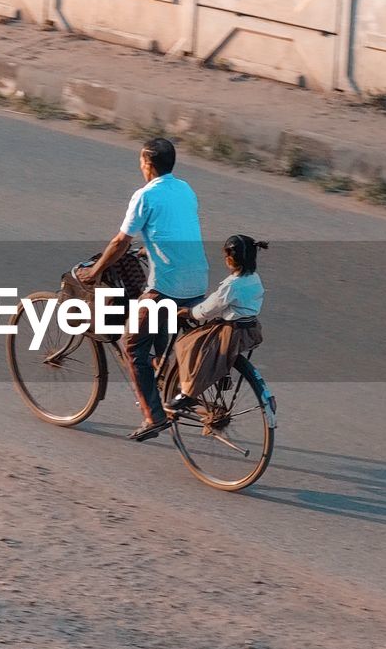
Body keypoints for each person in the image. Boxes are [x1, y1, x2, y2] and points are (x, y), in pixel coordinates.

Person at [80, 137, 208, 442]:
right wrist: (149, 250)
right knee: (161, 341)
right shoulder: (186, 189)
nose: (140, 165)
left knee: (133, 343)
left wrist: (95, 270)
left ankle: (153, 416)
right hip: (198, 281)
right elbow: (173, 228)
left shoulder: (144, 196)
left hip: (168, 287)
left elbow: (121, 242)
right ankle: (174, 387)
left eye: (141, 160)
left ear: (147, 164)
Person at [167, 234, 267, 413]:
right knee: (208, 349)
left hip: (231, 331)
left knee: (187, 345)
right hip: (250, 329)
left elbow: (209, 308)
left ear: (230, 259)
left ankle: (187, 394)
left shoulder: (232, 284)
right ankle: (221, 374)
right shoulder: (254, 278)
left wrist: (189, 312)